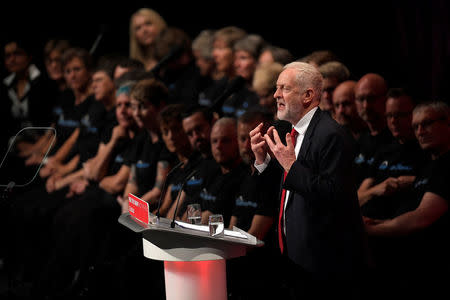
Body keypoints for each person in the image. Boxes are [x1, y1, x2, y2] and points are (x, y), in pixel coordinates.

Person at [250, 62, 369, 299]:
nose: (276, 95)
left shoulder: (331, 135)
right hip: (294, 261)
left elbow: (334, 194)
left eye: (284, 88)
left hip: (325, 268)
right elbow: (284, 192)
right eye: (276, 88)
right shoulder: (290, 132)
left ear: (308, 95)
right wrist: (262, 161)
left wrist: (291, 166)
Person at [364, 101, 450, 299]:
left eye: (426, 123)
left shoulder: (446, 166)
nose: (420, 131)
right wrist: (378, 222)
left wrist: (367, 229)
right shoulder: (430, 166)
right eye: (415, 126)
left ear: (447, 123)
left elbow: (421, 218)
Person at [358, 88, 427, 219]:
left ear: (415, 114)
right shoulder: (383, 150)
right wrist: (377, 189)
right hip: (367, 223)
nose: (393, 121)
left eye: (400, 115)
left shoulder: (426, 150)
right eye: (389, 115)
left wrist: (414, 182)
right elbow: (358, 197)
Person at [354, 73, 394, 186]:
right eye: (361, 99)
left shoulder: (397, 137)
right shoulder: (360, 141)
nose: (366, 105)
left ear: (386, 98)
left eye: (371, 98)